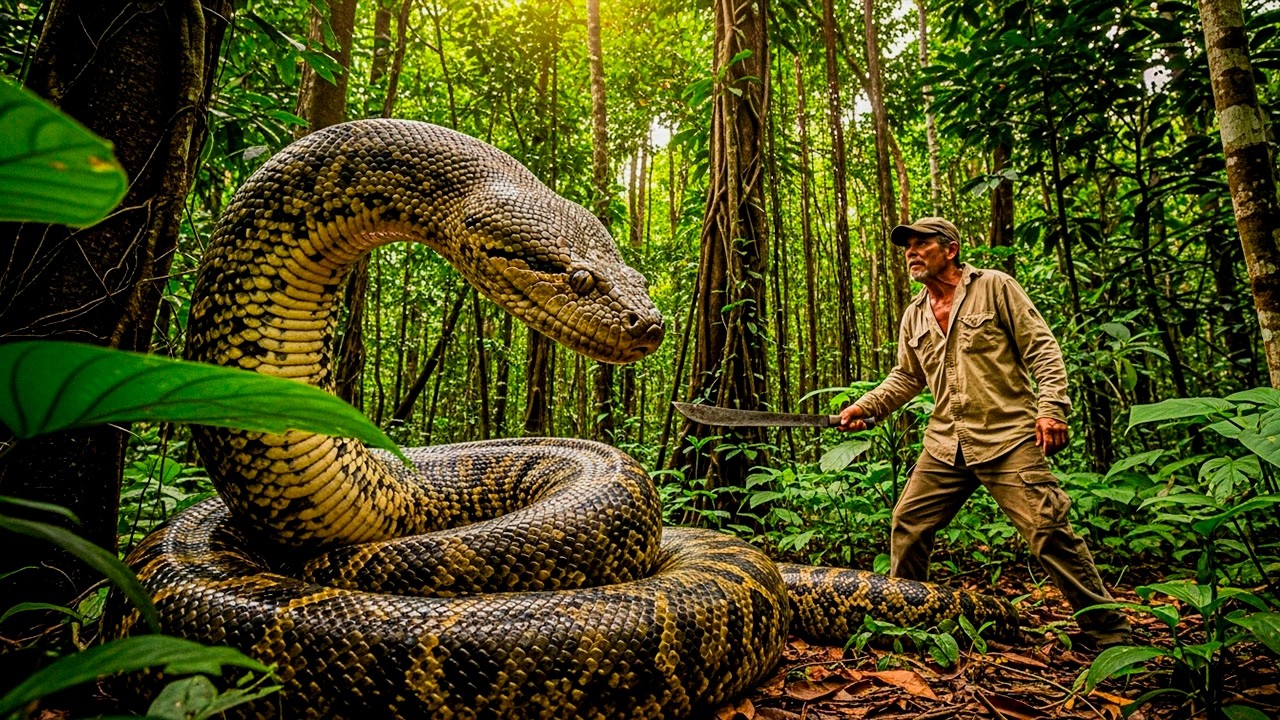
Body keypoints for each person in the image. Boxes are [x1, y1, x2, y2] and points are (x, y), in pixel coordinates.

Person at [838, 216, 1130, 650]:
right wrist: (866, 405)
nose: (911, 253)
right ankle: (907, 625)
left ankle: (1109, 633)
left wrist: (1051, 408)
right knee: (909, 523)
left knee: (1049, 529)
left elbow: (1041, 347)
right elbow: (906, 376)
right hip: (944, 443)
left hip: (1008, 437)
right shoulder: (914, 315)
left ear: (950, 249)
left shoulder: (994, 286)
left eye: (922, 244)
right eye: (907, 247)